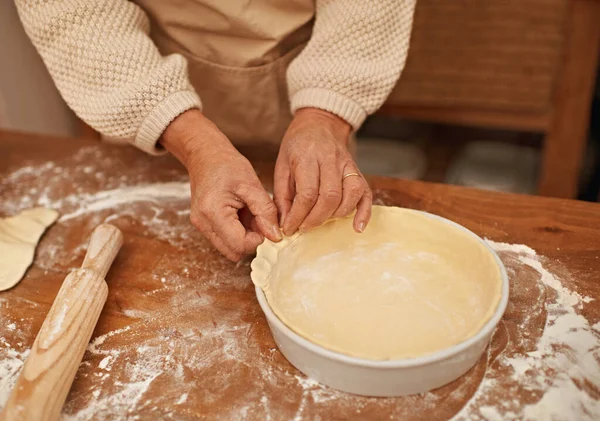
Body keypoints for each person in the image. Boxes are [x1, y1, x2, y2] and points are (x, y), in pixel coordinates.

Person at [16, 0, 416, 261]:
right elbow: (73, 14)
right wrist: (190, 140)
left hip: (306, 66)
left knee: (324, 213)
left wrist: (325, 114)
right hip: (135, 77)